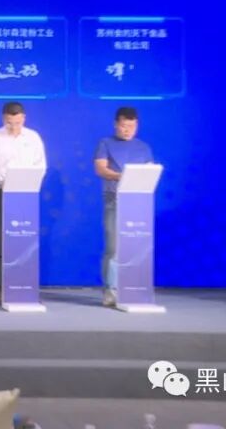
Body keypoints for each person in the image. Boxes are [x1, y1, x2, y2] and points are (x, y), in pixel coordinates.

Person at [0, 101, 46, 306]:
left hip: (27, 194)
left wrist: (29, 181)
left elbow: (41, 165)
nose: (14, 127)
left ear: (24, 119)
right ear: (4, 119)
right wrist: (5, 181)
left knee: (25, 240)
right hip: (2, 192)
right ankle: (0, 290)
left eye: (17, 123)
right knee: (2, 241)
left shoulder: (33, 137)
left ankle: (26, 288)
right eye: (10, 123)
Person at [93, 106, 155, 307]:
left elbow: (149, 172)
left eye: (132, 126)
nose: (128, 130)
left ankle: (134, 289)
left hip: (138, 202)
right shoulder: (105, 143)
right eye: (124, 126)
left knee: (136, 246)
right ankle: (110, 291)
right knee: (114, 247)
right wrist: (123, 176)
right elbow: (101, 169)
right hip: (114, 199)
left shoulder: (143, 147)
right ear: (116, 125)